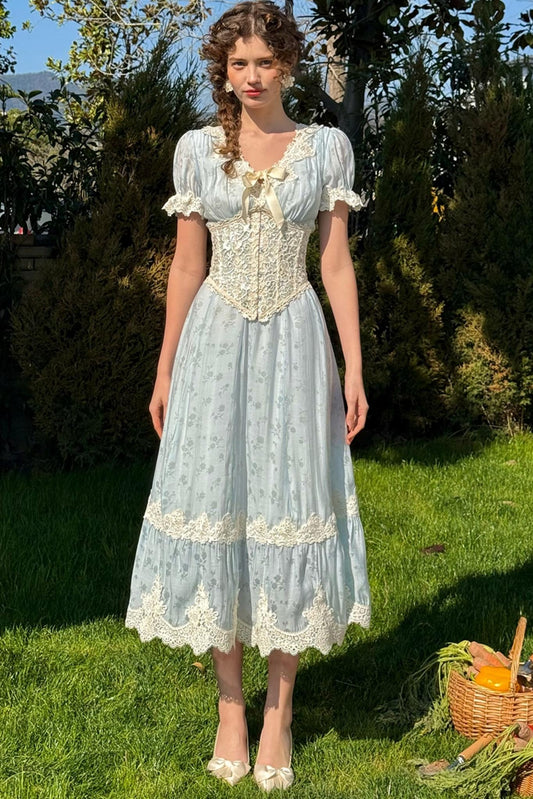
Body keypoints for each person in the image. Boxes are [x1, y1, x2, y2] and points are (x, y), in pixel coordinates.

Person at [125, 0, 371, 791]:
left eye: (266, 62)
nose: (253, 76)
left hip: (294, 344)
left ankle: (279, 711)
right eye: (239, 64)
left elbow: (334, 263)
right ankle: (230, 706)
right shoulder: (197, 151)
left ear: (288, 66)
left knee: (287, 505)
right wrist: (165, 368)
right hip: (215, 342)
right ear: (223, 71)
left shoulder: (325, 148)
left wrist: (353, 367)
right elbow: (185, 265)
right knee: (219, 507)